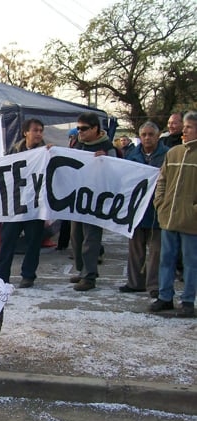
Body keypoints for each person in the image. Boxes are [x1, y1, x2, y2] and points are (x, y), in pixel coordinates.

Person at [149, 111, 197, 318]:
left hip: (191, 220)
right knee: (165, 259)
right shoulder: (174, 152)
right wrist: (160, 203)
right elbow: (162, 180)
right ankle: (165, 297)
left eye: (189, 126)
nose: (184, 130)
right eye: (184, 126)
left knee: (190, 261)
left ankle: (188, 300)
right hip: (168, 216)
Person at [0, 118, 47, 288]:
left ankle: (28, 275)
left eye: (41, 130)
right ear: (26, 132)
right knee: (7, 241)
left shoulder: (47, 152)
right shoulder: (13, 151)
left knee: (33, 243)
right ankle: (2, 275)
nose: (38, 133)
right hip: (15, 204)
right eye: (35, 130)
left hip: (35, 206)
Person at [118, 122, 168, 297]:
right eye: (144, 134)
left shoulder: (167, 156)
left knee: (156, 252)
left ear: (158, 135)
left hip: (157, 212)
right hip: (137, 211)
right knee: (135, 249)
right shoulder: (132, 155)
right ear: (140, 137)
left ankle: (154, 285)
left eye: (150, 134)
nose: (147, 138)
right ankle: (135, 282)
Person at [69, 112, 117, 291]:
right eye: (78, 128)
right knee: (76, 237)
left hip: (96, 199)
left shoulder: (107, 147)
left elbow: (117, 170)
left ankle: (89, 277)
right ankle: (83, 270)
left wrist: (105, 161)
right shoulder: (78, 144)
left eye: (84, 128)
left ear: (95, 128)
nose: (80, 131)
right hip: (78, 198)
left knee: (91, 238)